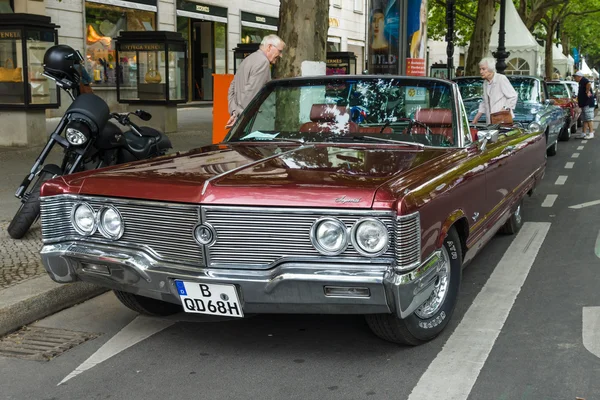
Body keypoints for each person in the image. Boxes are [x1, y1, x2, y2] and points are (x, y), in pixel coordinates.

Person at [226, 34, 285, 128]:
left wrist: (234, 112)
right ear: (269, 47)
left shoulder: (247, 59)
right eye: (280, 51)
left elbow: (232, 88)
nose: (281, 55)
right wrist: (239, 115)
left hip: (245, 121)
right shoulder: (263, 62)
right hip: (256, 122)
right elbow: (251, 93)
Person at [472, 57, 518, 124]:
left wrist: (504, 109)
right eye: (480, 69)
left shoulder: (501, 79)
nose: (481, 71)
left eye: (483, 69)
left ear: (490, 69)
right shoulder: (485, 83)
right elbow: (484, 102)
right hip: (491, 121)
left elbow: (513, 96)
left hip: (503, 120)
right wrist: (475, 120)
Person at [574, 70, 595, 139]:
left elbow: (588, 83)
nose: (574, 78)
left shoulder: (583, 80)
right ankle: (583, 133)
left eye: (575, 77)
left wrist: (587, 90)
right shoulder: (581, 82)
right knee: (585, 119)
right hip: (584, 104)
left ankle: (591, 133)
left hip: (587, 103)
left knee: (589, 118)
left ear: (579, 77)